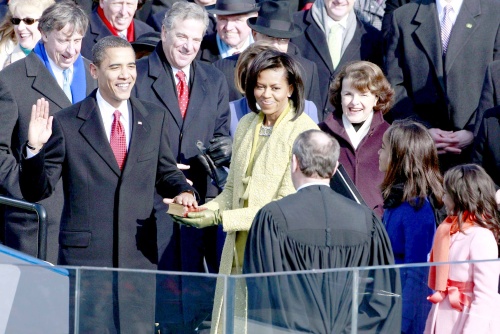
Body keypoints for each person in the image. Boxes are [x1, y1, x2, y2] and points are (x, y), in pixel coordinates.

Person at [19, 35, 197, 332]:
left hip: (138, 260)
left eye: (131, 66)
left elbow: (166, 172)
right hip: (87, 262)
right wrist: (34, 150)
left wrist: (183, 191)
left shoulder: (153, 118)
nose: (125, 75)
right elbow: (38, 189)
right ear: (94, 71)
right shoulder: (67, 122)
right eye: (115, 67)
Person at [174, 49, 318, 333]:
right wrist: (204, 210)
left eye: (275, 88)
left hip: (277, 255)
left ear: (291, 88)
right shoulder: (246, 124)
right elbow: (231, 190)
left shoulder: (304, 132)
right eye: (259, 86)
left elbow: (285, 206)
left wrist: (220, 219)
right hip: (236, 250)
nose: (266, 94)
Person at [243, 129, 401, 333]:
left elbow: (263, 296)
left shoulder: (272, 218)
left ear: (294, 163)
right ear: (335, 168)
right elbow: (383, 298)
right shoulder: (367, 221)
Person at [134, 1, 231, 273]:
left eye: (196, 39)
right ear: (164, 32)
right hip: (152, 200)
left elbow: (220, 131)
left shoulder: (214, 79)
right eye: (182, 36)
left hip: (199, 202)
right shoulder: (137, 76)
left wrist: (226, 147)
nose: (189, 46)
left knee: (194, 292)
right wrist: (160, 167)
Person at [0, 0, 96, 263]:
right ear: (44, 34)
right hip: (37, 222)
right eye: (64, 40)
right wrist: (24, 192)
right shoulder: (12, 80)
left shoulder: (92, 75)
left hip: (86, 222)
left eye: (77, 40)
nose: (72, 50)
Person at [384, 0, 500, 171]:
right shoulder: (403, 17)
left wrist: (474, 131)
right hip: (421, 157)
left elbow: (498, 81)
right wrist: (422, 131)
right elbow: (394, 84)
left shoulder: (495, 13)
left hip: (477, 158)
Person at [378, 120, 444, 333]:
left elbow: (418, 274)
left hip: (406, 316)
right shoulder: (396, 203)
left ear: (399, 158)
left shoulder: (417, 209)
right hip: (389, 305)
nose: (379, 153)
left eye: (384, 148)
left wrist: (401, 322)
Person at [424, 164, 500, 333]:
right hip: (442, 316)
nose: (442, 199)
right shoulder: (446, 231)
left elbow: (485, 296)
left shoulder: (481, 236)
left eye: (446, 194)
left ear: (461, 197)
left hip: (465, 320)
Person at [213, 0, 322, 117]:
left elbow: (314, 125)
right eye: (269, 37)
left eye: (282, 40)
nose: (275, 46)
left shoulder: (306, 70)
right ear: (254, 34)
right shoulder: (223, 70)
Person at [319, 61, 393, 217]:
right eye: (348, 94)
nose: (354, 102)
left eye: (363, 94)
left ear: (376, 98)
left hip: (378, 230)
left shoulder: (392, 136)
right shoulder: (320, 134)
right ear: (339, 96)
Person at [290, 0, 383, 116]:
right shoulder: (293, 25)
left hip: (342, 128)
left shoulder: (372, 37)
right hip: (298, 121)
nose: (339, 1)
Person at [227, 41, 319, 136]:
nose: (266, 94)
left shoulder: (307, 109)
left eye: (275, 87)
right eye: (253, 74)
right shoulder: (231, 111)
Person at [81, 0, 154, 59]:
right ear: (102, 2)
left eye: (129, 4)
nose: (123, 12)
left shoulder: (148, 33)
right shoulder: (81, 34)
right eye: (118, 3)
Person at [0, 0, 55, 70]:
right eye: (16, 21)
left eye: (28, 21)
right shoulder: (7, 65)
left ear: (46, 22)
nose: (20, 28)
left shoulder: (64, 57)